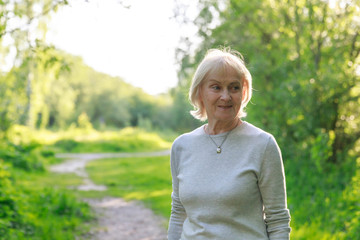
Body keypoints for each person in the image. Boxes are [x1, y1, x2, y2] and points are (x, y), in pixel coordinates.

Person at [167, 48, 291, 240]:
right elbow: (178, 214)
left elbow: (278, 220)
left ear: (244, 92)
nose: (226, 96)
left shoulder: (263, 144)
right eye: (216, 87)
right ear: (200, 91)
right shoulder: (182, 146)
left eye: (234, 87)